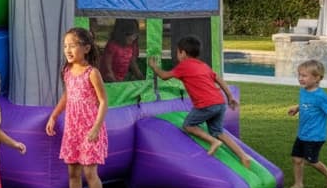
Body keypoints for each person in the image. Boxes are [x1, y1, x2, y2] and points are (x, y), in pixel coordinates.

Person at [148, 35, 252, 168]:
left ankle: (213, 141)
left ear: (183, 53)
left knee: (188, 125)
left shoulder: (184, 66)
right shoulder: (204, 66)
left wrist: (153, 66)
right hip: (219, 103)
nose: (177, 55)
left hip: (206, 105)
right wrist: (230, 97)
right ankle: (243, 156)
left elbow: (164, 76)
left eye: (177, 52)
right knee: (219, 131)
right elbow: (218, 79)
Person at [46, 27, 110, 188]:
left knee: (90, 173)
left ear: (87, 48)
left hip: (90, 129)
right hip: (73, 129)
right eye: (65, 46)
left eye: (73, 45)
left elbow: (103, 102)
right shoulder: (67, 71)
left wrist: (96, 128)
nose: (68, 49)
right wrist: (54, 115)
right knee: (73, 173)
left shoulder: (92, 73)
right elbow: (67, 96)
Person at [287, 59, 327, 188]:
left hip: (315, 136)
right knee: (296, 159)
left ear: (317, 78)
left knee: (310, 161)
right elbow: (306, 103)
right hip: (302, 133)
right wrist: (297, 108)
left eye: (304, 76)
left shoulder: (321, 96)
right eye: (299, 75)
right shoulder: (304, 90)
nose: (300, 78)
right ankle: (298, 184)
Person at [100, 18, 144, 82]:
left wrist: (141, 78)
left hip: (121, 79)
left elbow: (133, 63)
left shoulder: (132, 45)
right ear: (122, 34)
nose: (133, 38)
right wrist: (116, 84)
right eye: (131, 35)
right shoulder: (113, 45)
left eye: (135, 35)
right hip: (108, 80)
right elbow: (107, 68)